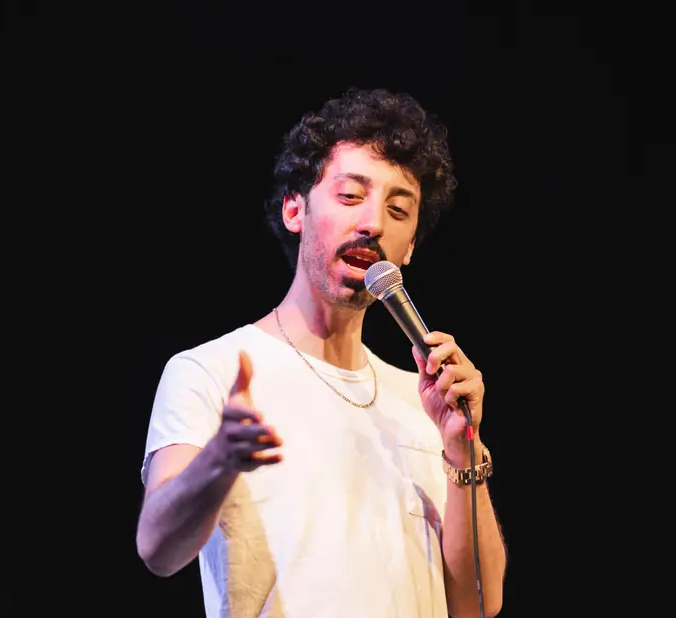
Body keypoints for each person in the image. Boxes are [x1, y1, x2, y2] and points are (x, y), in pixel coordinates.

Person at [136, 87, 507, 618]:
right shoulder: (213, 370)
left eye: (398, 209)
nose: (373, 223)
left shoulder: (423, 398)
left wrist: (464, 450)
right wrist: (218, 460)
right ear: (295, 209)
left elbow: (476, 602)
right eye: (351, 195)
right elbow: (158, 549)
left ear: (408, 249)